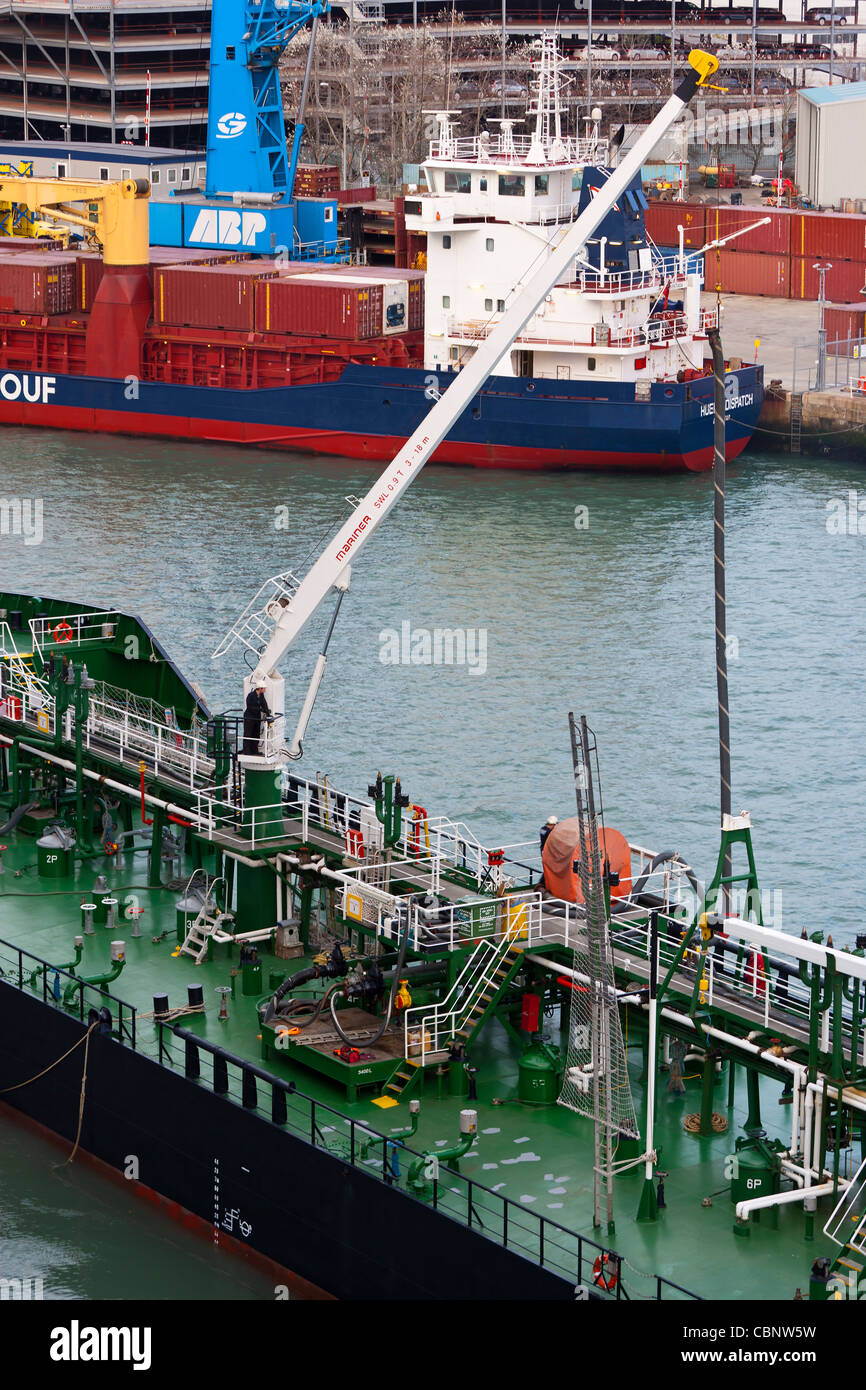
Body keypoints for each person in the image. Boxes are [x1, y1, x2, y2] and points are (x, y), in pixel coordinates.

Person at [242, 683, 272, 756]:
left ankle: (254, 750)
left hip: (256, 718)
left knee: (256, 733)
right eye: (264, 688)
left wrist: (267, 713)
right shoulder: (251, 696)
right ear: (260, 688)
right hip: (249, 717)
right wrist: (260, 709)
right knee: (248, 733)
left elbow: (264, 704)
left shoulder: (261, 696)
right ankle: (247, 751)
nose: (265, 690)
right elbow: (250, 707)